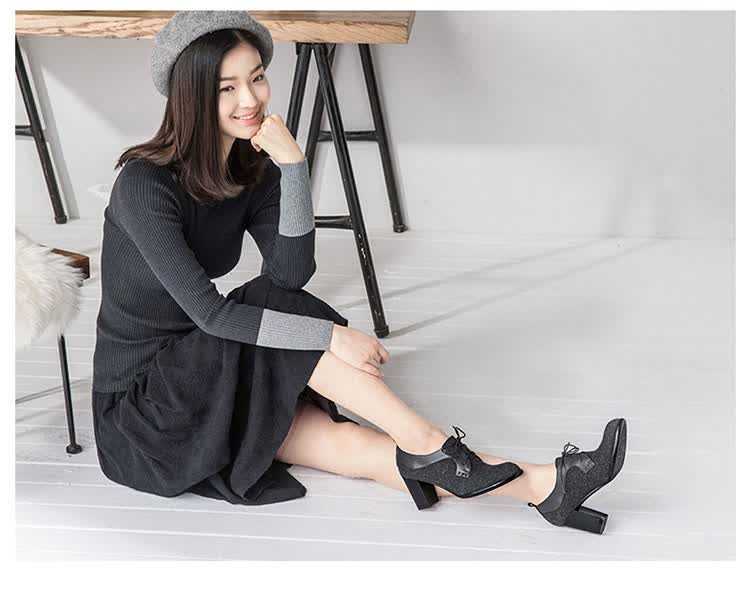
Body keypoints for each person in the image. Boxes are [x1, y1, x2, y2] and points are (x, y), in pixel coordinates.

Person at [91, 10, 627, 535]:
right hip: (143, 416)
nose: (250, 100)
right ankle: (428, 441)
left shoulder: (251, 170)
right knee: (268, 310)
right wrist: (328, 336)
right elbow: (213, 315)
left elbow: (290, 274)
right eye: (226, 88)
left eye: (257, 78)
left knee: (356, 448)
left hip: (207, 379)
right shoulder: (143, 186)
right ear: (190, 95)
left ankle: (545, 486)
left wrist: (294, 169)